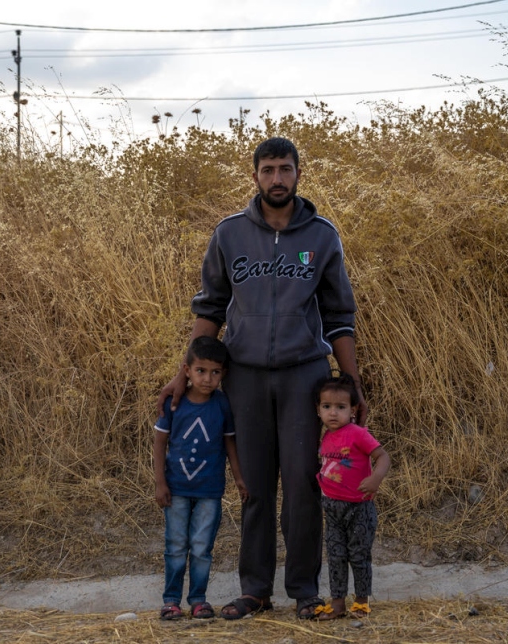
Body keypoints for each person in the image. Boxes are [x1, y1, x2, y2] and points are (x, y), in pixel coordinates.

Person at [157, 136, 368, 620]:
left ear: (298, 174)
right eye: (269, 169)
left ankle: (303, 592)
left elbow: (339, 315)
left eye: (286, 169)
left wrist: (351, 382)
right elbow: (209, 310)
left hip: (304, 376)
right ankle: (254, 589)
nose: (277, 178)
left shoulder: (321, 236)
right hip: (246, 376)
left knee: (301, 485)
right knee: (252, 485)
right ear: (254, 175)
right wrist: (181, 376)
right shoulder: (229, 234)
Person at [153, 336, 248, 620]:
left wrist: (239, 478)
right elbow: (159, 443)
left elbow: (230, 445)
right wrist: (160, 482)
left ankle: (198, 600)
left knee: (202, 547)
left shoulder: (222, 405)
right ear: (187, 371)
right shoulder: (174, 403)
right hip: (177, 489)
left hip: (210, 490)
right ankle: (171, 601)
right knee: (175, 545)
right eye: (201, 371)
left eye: (215, 372)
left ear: (223, 374)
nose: (207, 379)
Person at [311, 372, 391, 621]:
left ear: (353, 410)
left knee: (358, 555)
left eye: (340, 407)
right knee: (335, 555)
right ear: (318, 410)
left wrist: (376, 478)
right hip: (331, 507)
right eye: (327, 407)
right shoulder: (325, 436)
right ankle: (337, 603)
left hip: (359, 508)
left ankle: (361, 602)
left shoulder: (357, 433)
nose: (333, 413)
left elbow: (383, 457)